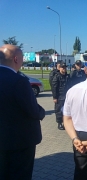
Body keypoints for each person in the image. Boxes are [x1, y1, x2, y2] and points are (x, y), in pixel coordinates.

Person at [0, 45, 45, 180]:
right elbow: (33, 110)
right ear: (16, 59)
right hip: (19, 142)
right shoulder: (19, 81)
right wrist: (41, 112)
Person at [52, 62, 71, 130]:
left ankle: (66, 123)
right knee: (59, 110)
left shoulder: (67, 76)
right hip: (59, 96)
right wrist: (55, 97)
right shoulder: (57, 76)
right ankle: (59, 123)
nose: (64, 69)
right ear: (60, 68)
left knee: (67, 110)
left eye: (65, 68)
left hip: (67, 96)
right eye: (62, 68)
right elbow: (54, 87)